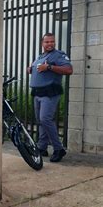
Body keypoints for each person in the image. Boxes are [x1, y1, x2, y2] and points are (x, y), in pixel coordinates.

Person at [27, 33, 73, 162]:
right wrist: (31, 69)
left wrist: (49, 67)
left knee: (45, 119)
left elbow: (69, 70)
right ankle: (42, 147)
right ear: (42, 43)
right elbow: (40, 68)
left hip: (50, 92)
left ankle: (59, 149)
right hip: (37, 93)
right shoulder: (41, 56)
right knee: (40, 121)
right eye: (47, 42)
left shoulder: (58, 55)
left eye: (52, 41)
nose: (50, 44)